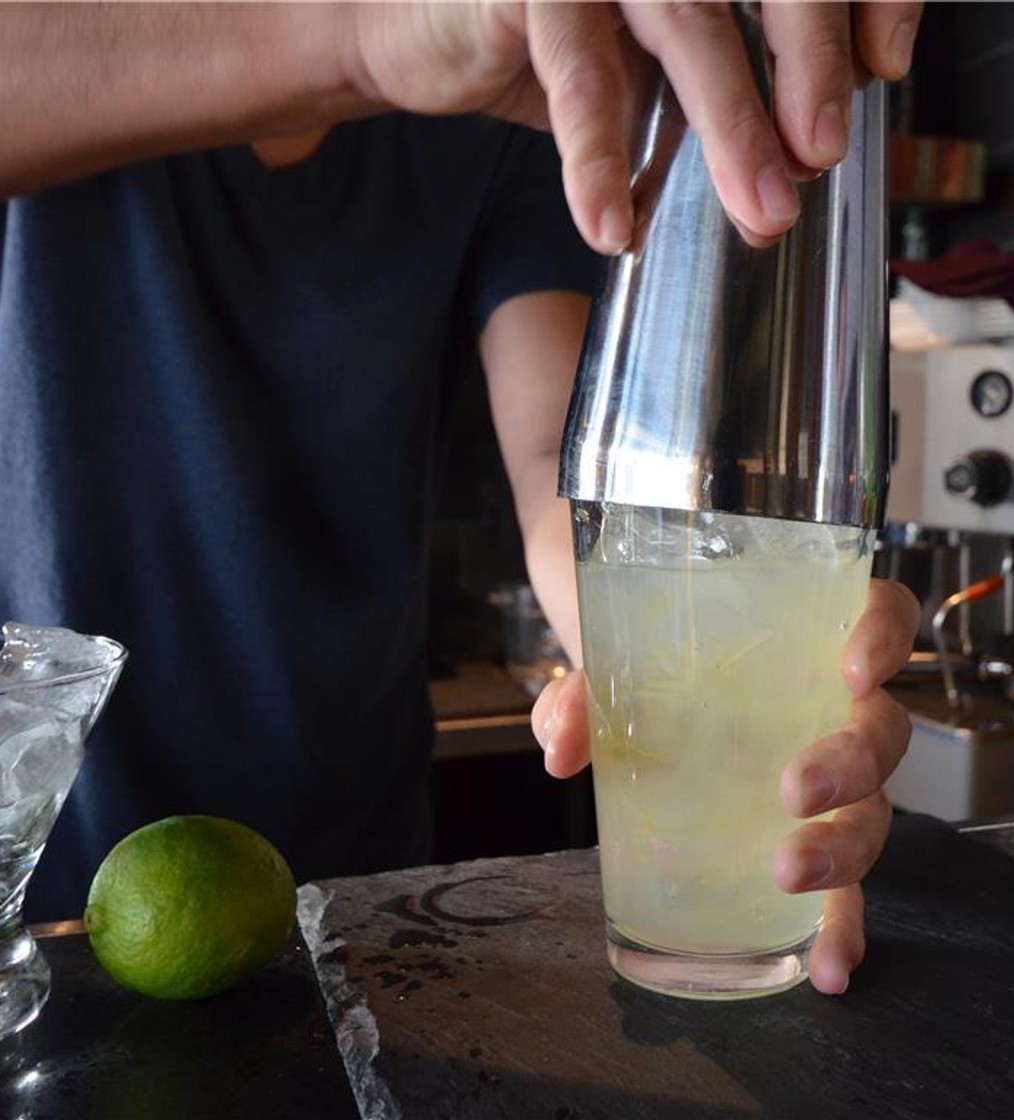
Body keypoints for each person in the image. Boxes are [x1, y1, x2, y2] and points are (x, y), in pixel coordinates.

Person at [0, 2, 922, 995]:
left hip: (365, 877)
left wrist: (701, 687)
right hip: (45, 871)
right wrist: (363, 38)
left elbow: (552, 471)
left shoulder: (510, 117)